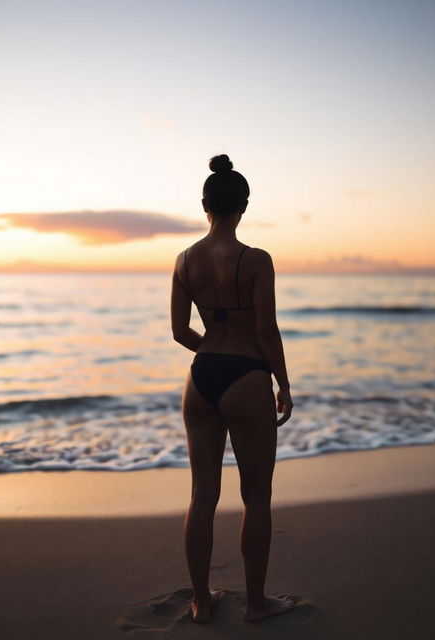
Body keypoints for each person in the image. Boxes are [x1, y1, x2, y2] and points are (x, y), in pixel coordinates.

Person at [171, 154, 296, 624]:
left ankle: (202, 601)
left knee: (202, 495)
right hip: (247, 377)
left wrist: (214, 352)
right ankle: (258, 604)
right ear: (243, 205)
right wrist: (282, 382)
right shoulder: (257, 260)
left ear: (204, 204)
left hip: (201, 378)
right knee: (256, 496)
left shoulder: (184, 261)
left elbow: (181, 332)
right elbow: (266, 331)